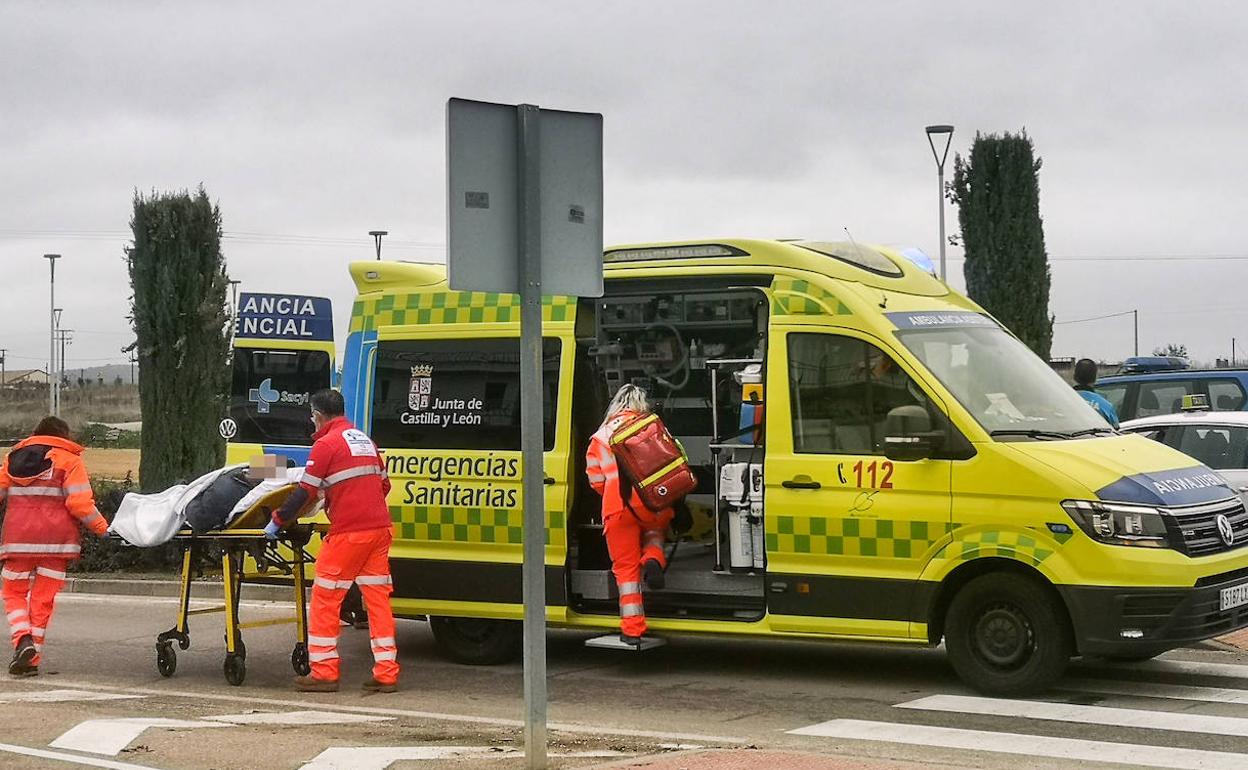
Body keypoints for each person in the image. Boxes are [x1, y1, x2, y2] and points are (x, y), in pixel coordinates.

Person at [266, 389, 399, 693]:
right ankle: (386, 672)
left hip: (349, 534)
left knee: (326, 598)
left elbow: (304, 492)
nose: (311, 422)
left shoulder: (325, 444)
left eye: (312, 416)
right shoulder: (364, 440)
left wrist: (277, 521)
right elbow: (384, 484)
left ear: (318, 415)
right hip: (379, 531)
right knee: (377, 601)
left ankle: (324, 672)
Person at [1, 416, 108, 677]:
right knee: (42, 601)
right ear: (63, 435)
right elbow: (79, 504)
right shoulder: (70, 461)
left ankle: (23, 639)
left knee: (13, 593)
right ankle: (31, 657)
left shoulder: (13, 459)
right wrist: (105, 529)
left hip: (18, 541)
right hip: (57, 544)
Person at [585, 385, 675, 646]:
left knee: (625, 571)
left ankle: (633, 630)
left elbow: (595, 481)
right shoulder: (652, 426)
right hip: (653, 504)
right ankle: (653, 557)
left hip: (617, 508)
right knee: (655, 532)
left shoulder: (600, 437)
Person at [1073, 358, 1120, 428]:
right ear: (1095, 378)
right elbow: (1116, 430)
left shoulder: (1063, 402)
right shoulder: (1106, 406)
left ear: (1074, 377)